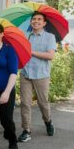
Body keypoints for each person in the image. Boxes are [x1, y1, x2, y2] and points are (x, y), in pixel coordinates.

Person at [18, 11, 56, 142]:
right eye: (34, 19)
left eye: (39, 19)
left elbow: (50, 55)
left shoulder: (50, 37)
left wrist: (31, 52)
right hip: (25, 74)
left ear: (44, 23)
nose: (36, 21)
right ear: (31, 22)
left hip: (41, 75)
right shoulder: (26, 36)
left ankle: (48, 121)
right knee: (25, 103)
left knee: (43, 102)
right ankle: (26, 130)